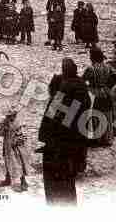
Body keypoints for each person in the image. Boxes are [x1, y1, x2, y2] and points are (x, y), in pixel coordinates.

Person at [37, 58, 91, 206]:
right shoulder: (81, 88)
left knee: (56, 183)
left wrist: (46, 138)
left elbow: (49, 123)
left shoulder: (63, 91)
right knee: (68, 182)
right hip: (75, 143)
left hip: (57, 148)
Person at [82, 47, 116, 146]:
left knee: (96, 114)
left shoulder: (91, 68)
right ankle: (108, 138)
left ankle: (98, 138)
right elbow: (115, 76)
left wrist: (89, 87)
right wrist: (108, 87)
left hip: (96, 93)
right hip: (107, 93)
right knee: (108, 114)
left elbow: (83, 80)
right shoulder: (108, 67)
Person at [0, 105, 29, 192]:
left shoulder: (19, 124)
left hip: (16, 148)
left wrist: (16, 142)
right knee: (7, 162)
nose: (9, 117)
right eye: (8, 116)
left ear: (14, 115)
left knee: (19, 164)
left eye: (10, 116)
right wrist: (3, 125)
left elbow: (24, 137)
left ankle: (23, 183)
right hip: (7, 146)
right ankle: (8, 180)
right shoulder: (6, 123)